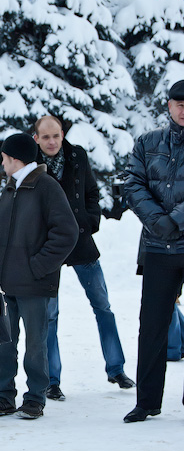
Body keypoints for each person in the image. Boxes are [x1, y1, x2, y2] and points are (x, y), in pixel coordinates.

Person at [34, 116, 134, 399]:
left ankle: (116, 368)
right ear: (36, 139)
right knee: (49, 316)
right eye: (46, 138)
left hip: (81, 240)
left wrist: (91, 220)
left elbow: (91, 191)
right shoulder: (30, 162)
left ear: (62, 134)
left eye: (56, 136)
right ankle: (52, 380)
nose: (52, 142)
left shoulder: (77, 155)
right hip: (48, 245)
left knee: (103, 306)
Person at [0, 133, 78, 420]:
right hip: (5, 282)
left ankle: (35, 397)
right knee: (3, 344)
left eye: (3, 158)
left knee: (35, 345)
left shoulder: (46, 186)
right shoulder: (12, 188)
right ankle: (3, 396)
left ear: (14, 158)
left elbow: (67, 233)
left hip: (34, 284)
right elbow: (4, 235)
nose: (2, 163)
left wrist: (38, 267)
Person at [123, 79, 184, 422]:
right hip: (158, 246)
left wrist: (174, 219)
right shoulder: (148, 142)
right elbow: (133, 183)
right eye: (178, 104)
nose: (183, 110)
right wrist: (158, 221)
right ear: (169, 105)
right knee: (152, 326)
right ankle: (147, 401)